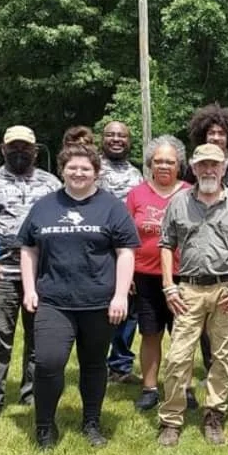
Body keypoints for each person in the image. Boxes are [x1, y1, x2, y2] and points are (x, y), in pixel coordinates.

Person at [19, 143, 140, 449]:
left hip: (99, 302)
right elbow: (28, 249)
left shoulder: (112, 207)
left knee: (94, 364)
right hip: (53, 301)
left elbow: (125, 252)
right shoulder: (45, 206)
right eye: (72, 167)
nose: (78, 173)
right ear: (62, 170)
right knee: (48, 362)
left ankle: (91, 422)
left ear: (96, 173)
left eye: (86, 168)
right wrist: (30, 289)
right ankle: (45, 427)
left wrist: (120, 295)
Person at [157, 144, 228, 446]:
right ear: (194, 169)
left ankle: (214, 415)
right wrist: (168, 285)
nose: (209, 170)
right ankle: (172, 419)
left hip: (227, 289)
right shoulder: (178, 202)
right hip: (188, 289)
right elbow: (166, 244)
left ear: (224, 168)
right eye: (203, 165)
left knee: (222, 357)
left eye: (214, 165)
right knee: (177, 357)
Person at [0, 125, 62, 424]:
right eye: (13, 146)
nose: (20, 151)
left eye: (25, 147)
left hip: (42, 274)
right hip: (0, 274)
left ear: (35, 150)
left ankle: (32, 392)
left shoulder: (52, 184)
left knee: (39, 338)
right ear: (2, 148)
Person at [184, 103, 228, 405]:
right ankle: (209, 368)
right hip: (198, 265)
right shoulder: (195, 170)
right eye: (211, 132)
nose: (216, 137)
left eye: (221, 133)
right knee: (203, 333)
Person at [125, 136, 190, 411]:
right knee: (150, 333)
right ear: (150, 163)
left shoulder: (190, 192)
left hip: (183, 275)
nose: (164, 166)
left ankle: (183, 387)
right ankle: (150, 388)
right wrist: (127, 274)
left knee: (184, 335)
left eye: (170, 162)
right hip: (145, 275)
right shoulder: (136, 194)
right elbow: (125, 237)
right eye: (159, 161)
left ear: (180, 165)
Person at [97, 121, 144, 384]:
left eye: (122, 136)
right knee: (99, 310)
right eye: (111, 135)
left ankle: (120, 365)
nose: (116, 139)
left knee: (128, 312)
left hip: (126, 251)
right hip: (97, 252)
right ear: (102, 138)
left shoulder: (136, 174)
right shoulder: (92, 169)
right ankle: (95, 363)